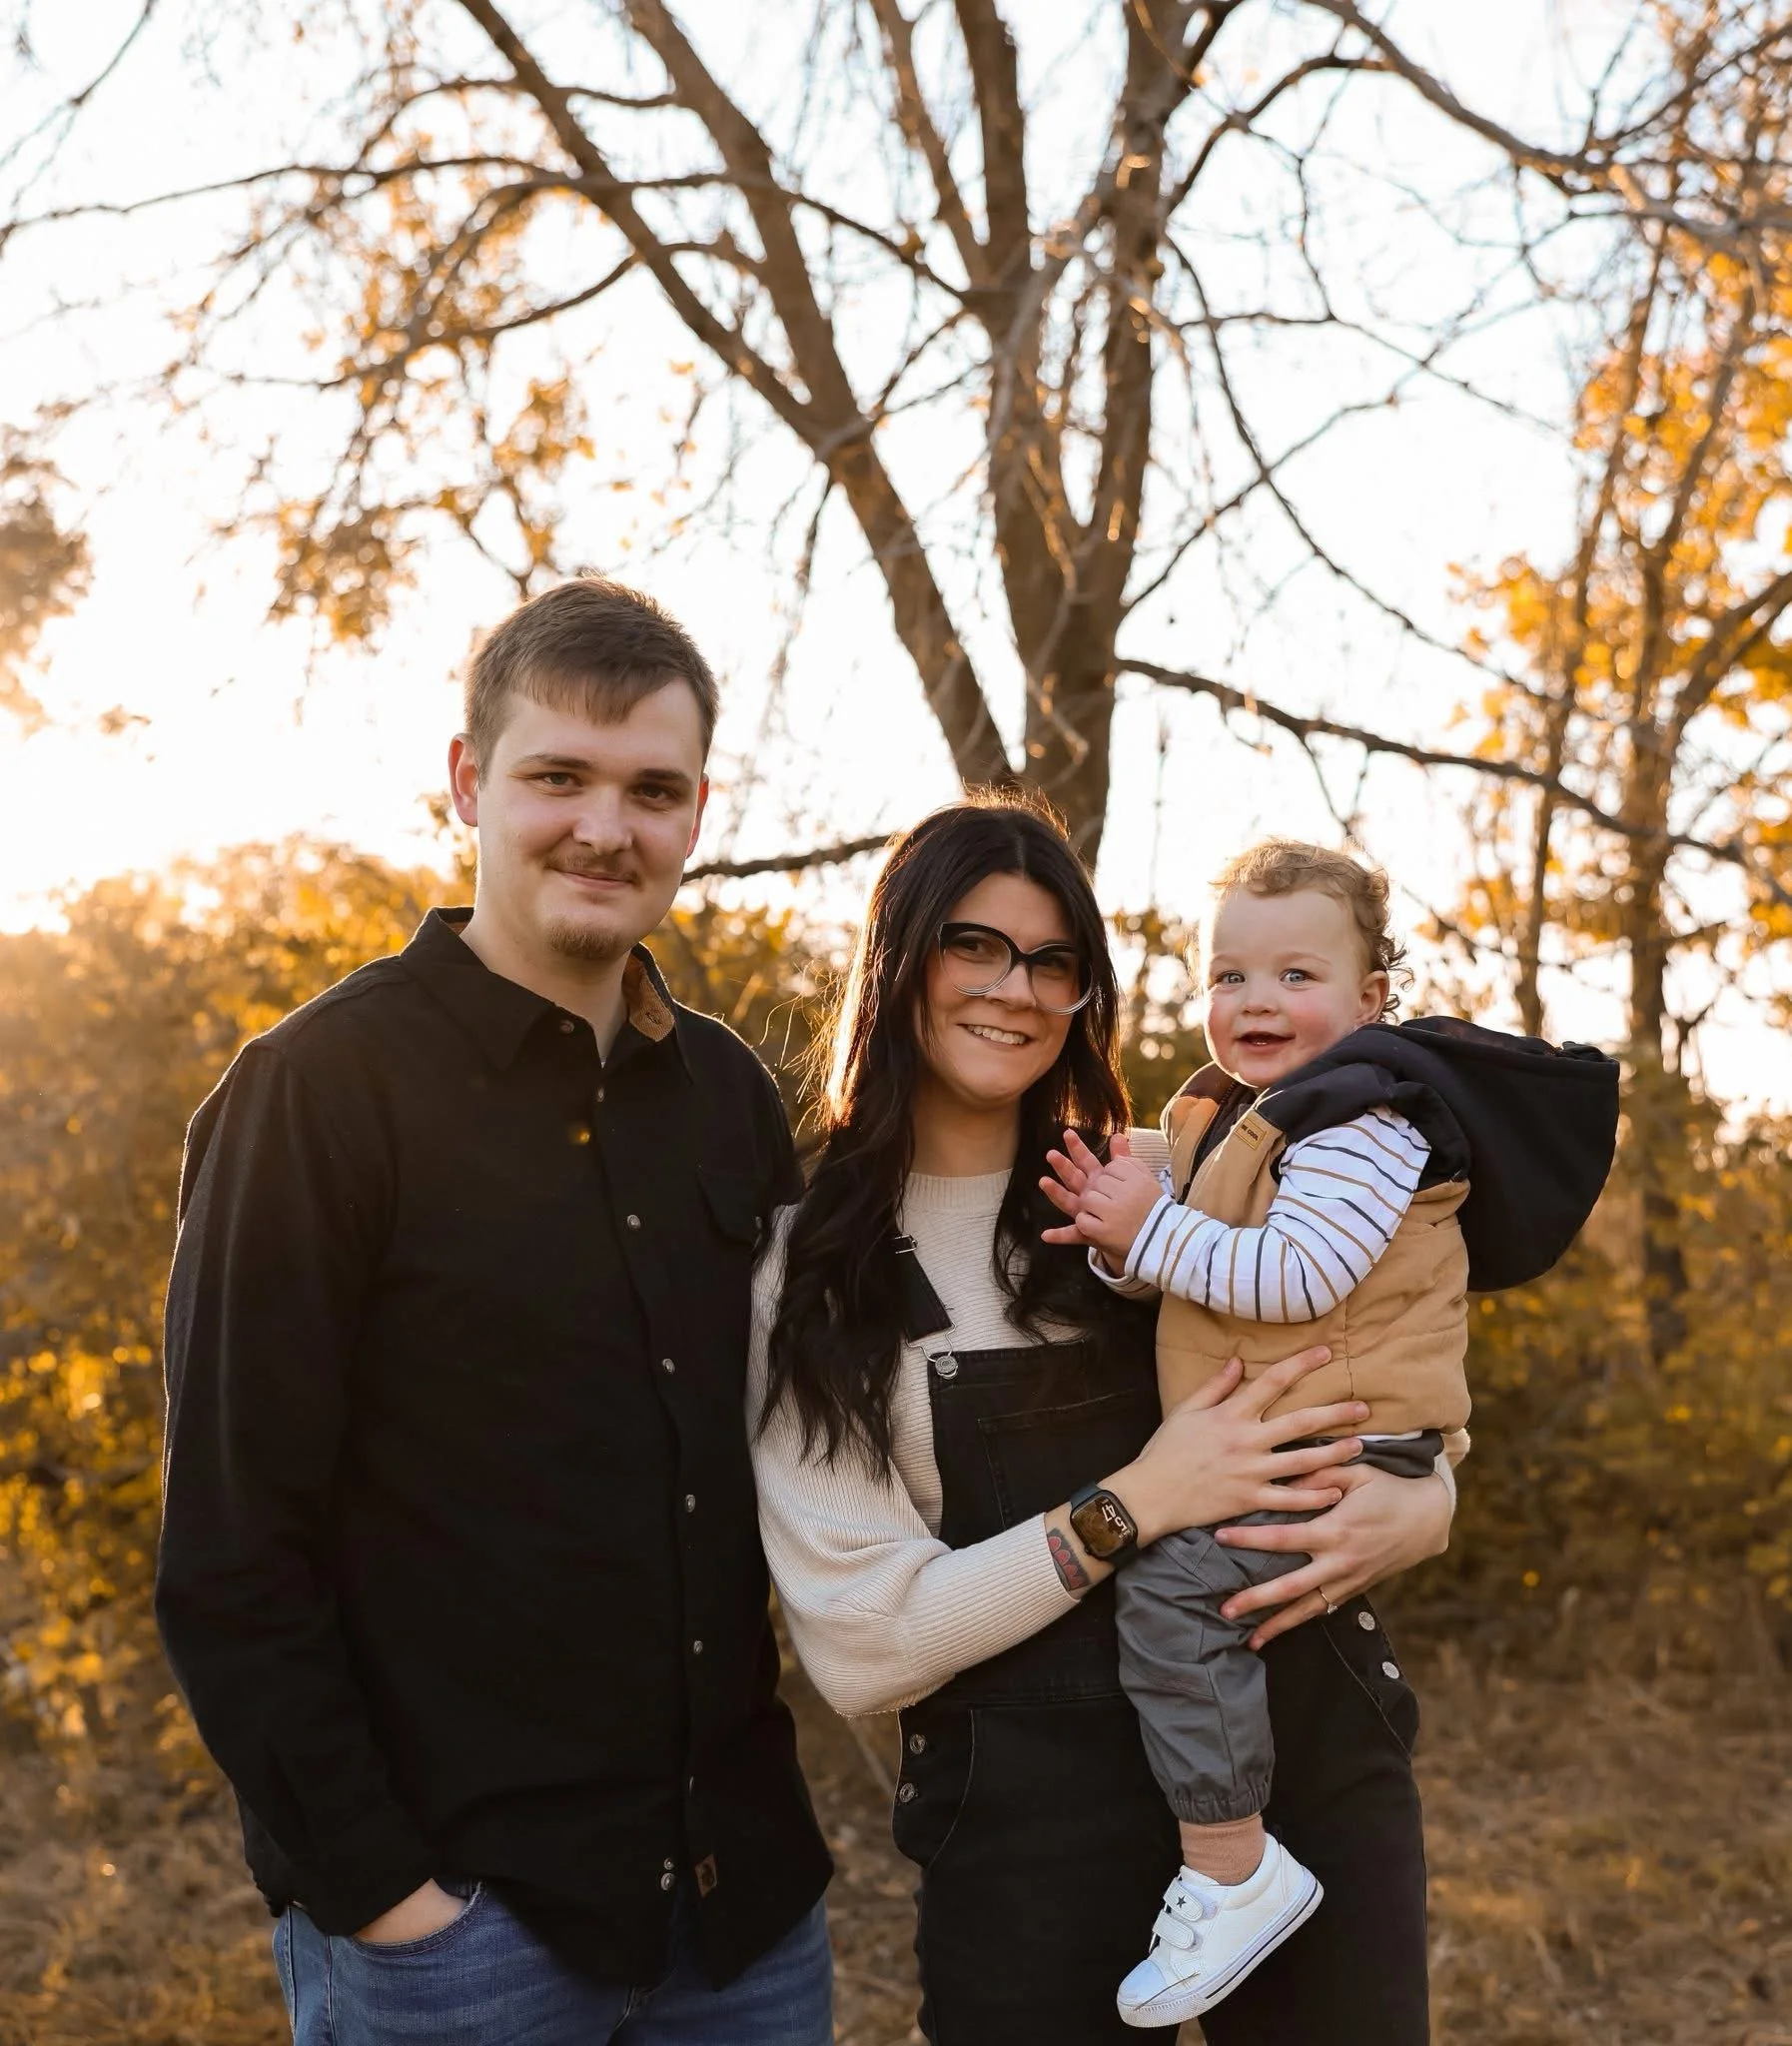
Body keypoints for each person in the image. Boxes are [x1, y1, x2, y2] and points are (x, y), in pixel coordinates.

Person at [157, 577, 834, 2046]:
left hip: (744, 1924)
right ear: (469, 782)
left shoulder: (726, 1098)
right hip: (464, 1937)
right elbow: (228, 1550)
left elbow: (825, 1437)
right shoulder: (317, 1093)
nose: (608, 826)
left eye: (653, 789)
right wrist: (385, 1901)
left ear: (697, 814)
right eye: (558, 778)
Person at [749, 796, 1459, 2045]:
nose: (1014, 989)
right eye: (974, 944)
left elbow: (1393, 1357)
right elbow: (862, 1645)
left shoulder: (1171, 1180)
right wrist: (1134, 1503)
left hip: (1304, 1749)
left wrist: (1427, 1498)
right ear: (899, 957)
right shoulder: (815, 1265)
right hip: (1028, 1823)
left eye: (1053, 960)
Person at [1042, 838, 1618, 2026]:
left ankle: (1232, 1865)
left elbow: (1302, 1269)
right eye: (1229, 975)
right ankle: (1230, 1860)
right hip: (1307, 1437)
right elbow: (1220, 1269)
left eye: (1295, 974)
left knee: (1174, 1597)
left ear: (1369, 1001)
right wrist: (1126, 1248)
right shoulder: (1257, 1118)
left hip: (1346, 1452)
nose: (1255, 1001)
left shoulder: (1363, 1115)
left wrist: (1149, 1235)